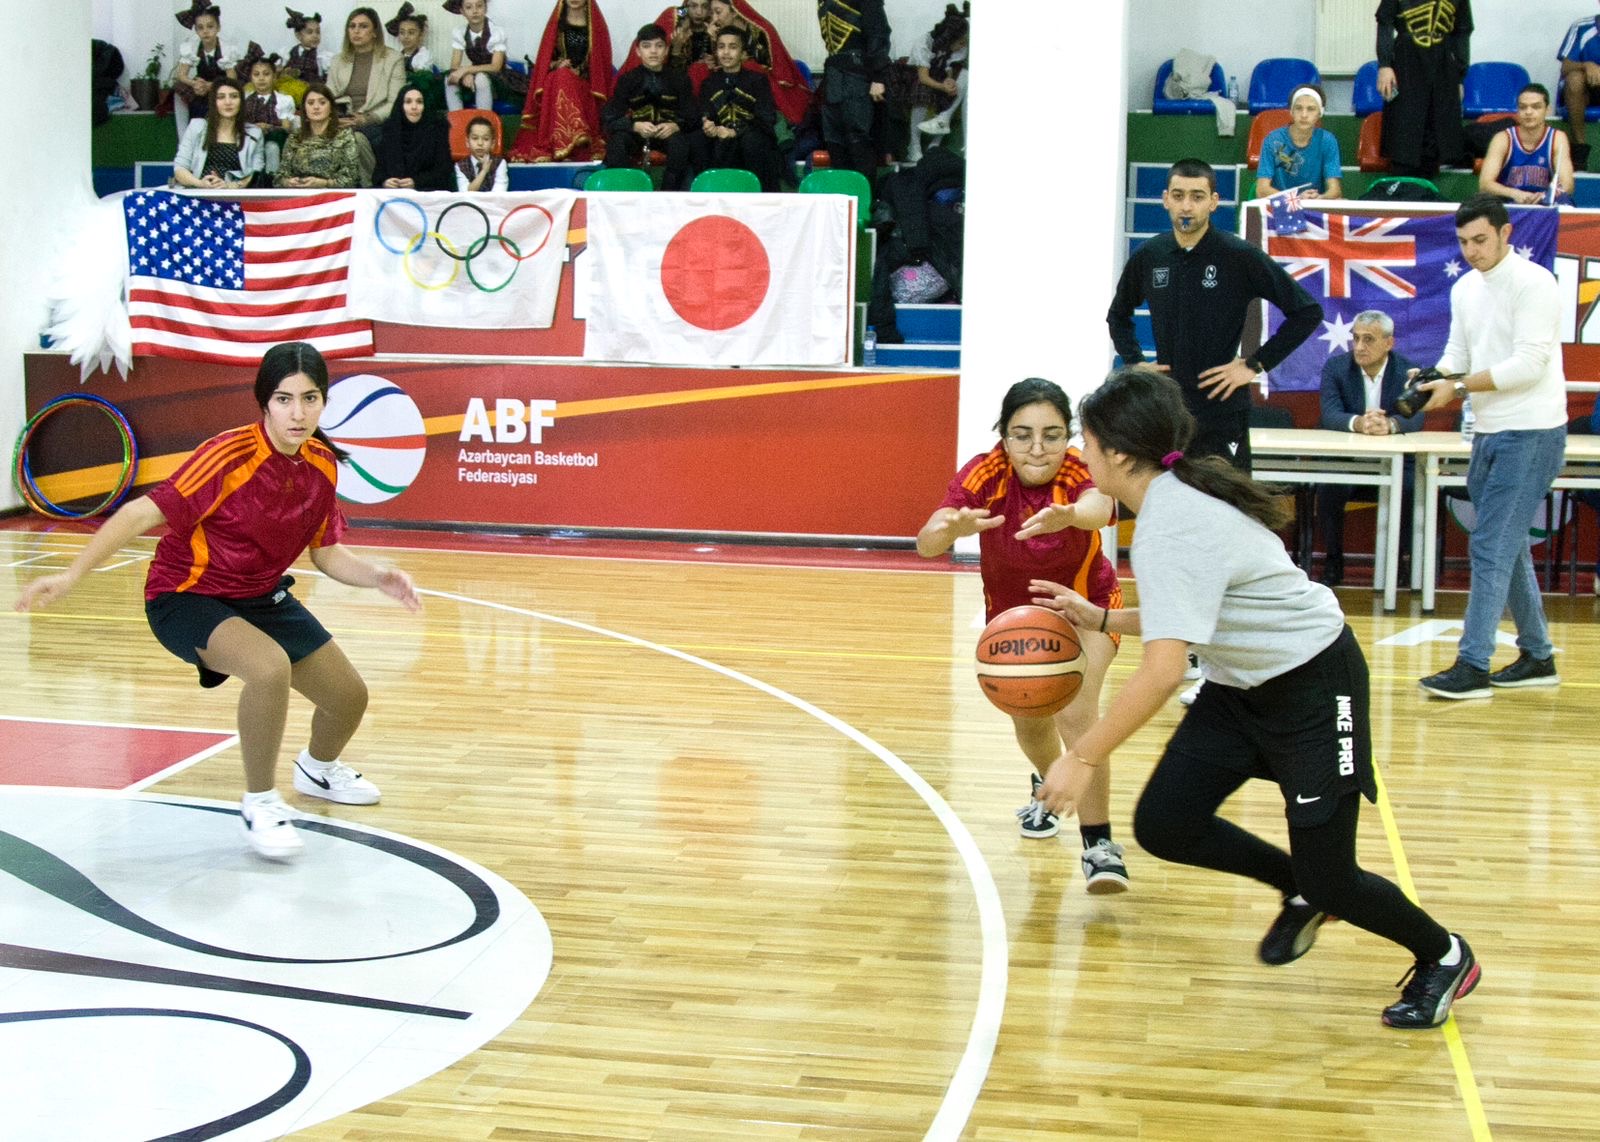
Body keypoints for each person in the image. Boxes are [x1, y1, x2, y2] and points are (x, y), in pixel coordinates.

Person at [1031, 365, 1480, 1030]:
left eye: (1085, 441)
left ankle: (1444, 954)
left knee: (1337, 879)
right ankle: (1297, 885)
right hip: (1242, 687)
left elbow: (1161, 672)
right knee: (1166, 823)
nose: (1080, 453)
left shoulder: (1172, 522)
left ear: (1120, 453)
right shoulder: (1168, 501)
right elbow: (1191, 615)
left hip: (1315, 686)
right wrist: (1098, 619)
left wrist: (1082, 758)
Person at [14, 342, 421, 862]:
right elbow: (141, 515)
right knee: (268, 668)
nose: (298, 413)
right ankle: (260, 802)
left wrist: (378, 576)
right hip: (186, 594)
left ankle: (318, 769)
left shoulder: (321, 463)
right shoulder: (228, 455)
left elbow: (327, 553)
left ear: (324, 401)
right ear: (264, 402)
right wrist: (72, 574)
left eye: (310, 398)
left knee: (348, 698)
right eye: (283, 399)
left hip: (259, 595)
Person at [917, 379, 1129, 893]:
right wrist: (952, 528)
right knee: (1032, 719)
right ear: (1005, 437)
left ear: (1068, 436)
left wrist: (1071, 515)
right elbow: (926, 543)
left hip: (1087, 609)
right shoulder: (986, 472)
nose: (1038, 448)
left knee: (1078, 713)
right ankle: (1048, 784)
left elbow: (1101, 507)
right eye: (1024, 435)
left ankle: (1099, 845)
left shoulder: (1080, 470)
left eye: (1052, 435)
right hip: (1014, 623)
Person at [1414, 195, 1569, 698]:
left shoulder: (1535, 283)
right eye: (1463, 242)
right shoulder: (1465, 287)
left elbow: (1529, 364)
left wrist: (1457, 389)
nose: (1472, 250)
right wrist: (1434, 376)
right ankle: (1538, 655)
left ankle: (1473, 664)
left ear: (1505, 233)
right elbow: (1458, 352)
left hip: (1533, 430)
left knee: (1490, 546)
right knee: (1506, 545)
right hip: (1489, 429)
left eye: (1480, 239)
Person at [1109, 159, 1322, 475]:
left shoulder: (1238, 255)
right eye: (1178, 195)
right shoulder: (1150, 255)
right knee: (1172, 509)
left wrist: (1254, 364)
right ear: (1165, 199)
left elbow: (1307, 311)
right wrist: (1134, 363)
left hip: (1222, 410)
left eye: (1197, 196)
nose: (1186, 206)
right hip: (1167, 411)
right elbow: (1118, 316)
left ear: (1213, 202)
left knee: (1229, 511)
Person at [1316, 311, 1422, 588]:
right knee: (1329, 485)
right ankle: (1333, 560)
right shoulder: (1336, 368)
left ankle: (1398, 561)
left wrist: (1390, 425)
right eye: (1356, 339)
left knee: (1411, 487)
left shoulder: (1407, 370)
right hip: (1348, 460)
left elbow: (1417, 415)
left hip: (1396, 462)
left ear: (1389, 343)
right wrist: (1360, 423)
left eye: (1368, 340)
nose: (1359, 347)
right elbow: (1329, 414)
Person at [508, 0, 616, 162]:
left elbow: (600, 66)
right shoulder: (557, 26)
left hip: (586, 87)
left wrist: (578, 71)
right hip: (559, 82)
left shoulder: (596, 27)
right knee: (558, 76)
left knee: (560, 78)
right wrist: (558, 64)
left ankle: (567, 141)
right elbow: (544, 64)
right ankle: (571, 138)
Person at [1376, 0, 1473, 179]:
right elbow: (1385, 22)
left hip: (1443, 66)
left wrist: (1459, 76)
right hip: (1406, 62)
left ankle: (1427, 193)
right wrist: (1385, 64)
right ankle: (1402, 191)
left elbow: (1462, 30)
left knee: (1435, 135)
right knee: (1403, 131)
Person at [605, 25, 698, 190]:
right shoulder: (628, 80)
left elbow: (692, 115)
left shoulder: (679, 79)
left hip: (668, 134)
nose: (653, 51)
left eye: (659, 46)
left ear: (667, 49)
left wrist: (676, 125)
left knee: (681, 144)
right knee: (617, 142)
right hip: (638, 134)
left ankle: (668, 194)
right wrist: (634, 126)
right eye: (647, 46)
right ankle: (626, 191)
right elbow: (609, 118)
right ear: (638, 51)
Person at [694, 27, 782, 191]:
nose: (726, 52)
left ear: (743, 53)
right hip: (720, 137)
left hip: (753, 137)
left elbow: (766, 118)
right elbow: (706, 113)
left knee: (749, 142)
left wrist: (735, 131)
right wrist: (708, 125)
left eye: (733, 47)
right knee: (699, 141)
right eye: (721, 47)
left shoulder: (758, 81)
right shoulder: (709, 83)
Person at [816, 0, 890, 182]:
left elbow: (878, 33)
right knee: (834, 141)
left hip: (857, 75)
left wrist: (878, 76)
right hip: (833, 74)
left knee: (857, 139)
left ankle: (865, 201)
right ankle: (843, 196)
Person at [705, 0, 810, 125]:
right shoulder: (719, 33)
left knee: (749, 67)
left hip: (763, 84)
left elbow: (773, 67)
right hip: (731, 81)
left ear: (734, 12)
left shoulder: (761, 30)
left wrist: (742, 62)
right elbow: (719, 64)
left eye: (718, 12)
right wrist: (712, 40)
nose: (715, 19)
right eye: (712, 14)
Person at [1479, 84, 1575, 205]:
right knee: (1486, 203)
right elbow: (1485, 184)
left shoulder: (1557, 138)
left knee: (1565, 201)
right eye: (1523, 107)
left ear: (1548, 109)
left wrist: (1545, 196)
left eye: (1536, 107)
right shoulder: (1503, 138)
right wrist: (1515, 194)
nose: (1528, 112)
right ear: (1517, 110)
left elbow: (1567, 185)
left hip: (1544, 201)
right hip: (1509, 202)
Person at [326, 6, 408, 144]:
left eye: (363, 26)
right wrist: (335, 118)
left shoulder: (393, 59)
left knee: (353, 140)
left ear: (375, 32)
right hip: (342, 119)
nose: (356, 31)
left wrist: (367, 119)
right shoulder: (337, 60)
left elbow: (395, 102)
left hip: (374, 121)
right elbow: (327, 95)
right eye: (352, 26)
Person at [173, 76, 263, 191]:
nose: (228, 102)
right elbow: (180, 168)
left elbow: (256, 172)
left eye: (234, 96)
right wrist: (201, 183)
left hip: (234, 196)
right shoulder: (196, 126)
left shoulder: (254, 133)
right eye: (221, 97)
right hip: (199, 193)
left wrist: (231, 186)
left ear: (241, 101)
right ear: (213, 102)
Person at [1254, 84, 1343, 200]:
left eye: (1311, 109)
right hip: (1280, 207)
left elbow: (1335, 190)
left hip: (1314, 208)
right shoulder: (1272, 140)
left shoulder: (1327, 140)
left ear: (1320, 112)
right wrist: (1295, 199)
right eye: (1298, 108)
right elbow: (1261, 190)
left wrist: (1321, 198)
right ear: (1291, 111)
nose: (1304, 115)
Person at [905, 2, 968, 165]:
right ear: (949, 38)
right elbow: (923, 76)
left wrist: (949, 79)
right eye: (961, 42)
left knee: (963, 78)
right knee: (922, 89)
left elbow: (948, 67)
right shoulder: (924, 43)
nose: (964, 45)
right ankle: (914, 144)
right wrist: (942, 86)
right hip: (919, 78)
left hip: (939, 76)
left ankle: (937, 139)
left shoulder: (955, 49)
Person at [172, 0, 241, 142]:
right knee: (178, 91)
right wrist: (194, 84)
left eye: (210, 26)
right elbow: (181, 75)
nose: (205, 31)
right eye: (200, 27)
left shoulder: (226, 48)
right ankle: (185, 138)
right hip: (201, 87)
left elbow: (231, 78)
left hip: (221, 86)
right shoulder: (192, 47)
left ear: (218, 28)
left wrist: (211, 86)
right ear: (196, 30)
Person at [279, 82, 364, 188]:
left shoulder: (344, 136)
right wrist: (287, 182)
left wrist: (324, 183)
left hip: (332, 198)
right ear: (304, 109)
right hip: (299, 196)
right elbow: (280, 177)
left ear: (331, 108)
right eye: (310, 103)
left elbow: (352, 178)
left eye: (322, 103)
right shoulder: (295, 137)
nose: (316, 107)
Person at [374, 82, 454, 190]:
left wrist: (417, 182)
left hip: (428, 194)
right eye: (408, 102)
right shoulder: (391, 130)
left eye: (419, 102)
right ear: (401, 106)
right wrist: (385, 181)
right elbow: (378, 172)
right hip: (394, 195)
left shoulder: (436, 129)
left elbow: (444, 171)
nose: (414, 107)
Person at [240, 47, 297, 184]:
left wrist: (269, 127)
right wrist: (254, 128)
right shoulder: (245, 100)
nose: (261, 79)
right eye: (256, 74)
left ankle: (273, 181)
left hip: (275, 139)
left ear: (274, 77)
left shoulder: (284, 100)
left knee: (271, 146)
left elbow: (286, 128)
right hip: (251, 139)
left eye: (266, 74)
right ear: (251, 77)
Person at [443, 0, 507, 113]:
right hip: (475, 72)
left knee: (481, 79)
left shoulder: (496, 32)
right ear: (462, 11)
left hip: (497, 76)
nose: (475, 11)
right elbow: (454, 65)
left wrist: (467, 70)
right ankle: (456, 120)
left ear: (485, 8)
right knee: (450, 78)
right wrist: (465, 74)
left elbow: (495, 66)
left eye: (479, 6)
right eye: (469, 7)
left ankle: (483, 122)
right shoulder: (460, 32)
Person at [1558, 6, 1600, 169]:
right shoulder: (1582, 27)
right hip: (1586, 92)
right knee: (1575, 78)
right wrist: (1586, 65)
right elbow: (1565, 68)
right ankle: (1579, 152)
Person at [282, 7, 330, 100]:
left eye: (318, 32)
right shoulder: (289, 53)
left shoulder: (322, 56)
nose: (315, 36)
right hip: (293, 93)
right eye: (310, 32)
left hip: (314, 93)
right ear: (298, 35)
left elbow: (328, 79)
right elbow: (283, 73)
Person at [456, 115, 510, 190]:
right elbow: (465, 195)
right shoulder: (460, 166)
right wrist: (484, 171)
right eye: (475, 138)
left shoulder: (500, 163)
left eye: (486, 139)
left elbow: (498, 195)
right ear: (467, 142)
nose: (480, 143)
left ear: (493, 144)